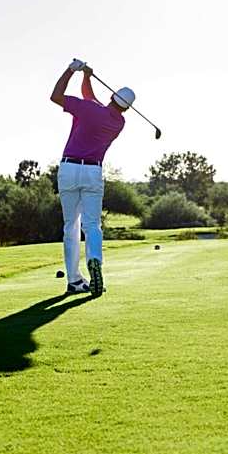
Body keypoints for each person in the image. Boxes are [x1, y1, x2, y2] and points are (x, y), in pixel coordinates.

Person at [50, 58, 134, 297]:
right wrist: (87, 76)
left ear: (112, 96)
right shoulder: (118, 122)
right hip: (93, 172)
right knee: (92, 225)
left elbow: (56, 96)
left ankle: (74, 281)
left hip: (69, 169)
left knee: (71, 225)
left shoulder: (88, 109)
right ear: (126, 108)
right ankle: (94, 259)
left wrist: (71, 70)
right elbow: (89, 97)